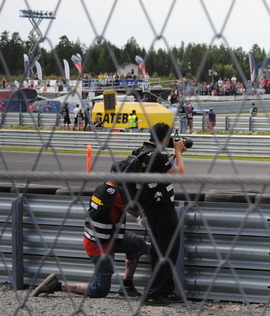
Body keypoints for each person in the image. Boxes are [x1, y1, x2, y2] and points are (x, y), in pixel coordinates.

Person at [31, 178, 147, 299]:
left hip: (105, 238)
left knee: (137, 244)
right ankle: (56, 285)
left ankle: (127, 286)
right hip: (101, 247)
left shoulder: (102, 188)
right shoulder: (116, 195)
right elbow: (138, 212)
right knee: (100, 290)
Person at [137, 123, 186, 305]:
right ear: (165, 139)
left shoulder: (143, 151)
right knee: (170, 251)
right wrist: (179, 153)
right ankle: (151, 293)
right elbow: (180, 174)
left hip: (150, 208)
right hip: (162, 209)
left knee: (159, 250)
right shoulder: (156, 155)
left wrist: (173, 156)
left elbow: (160, 170)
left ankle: (164, 290)